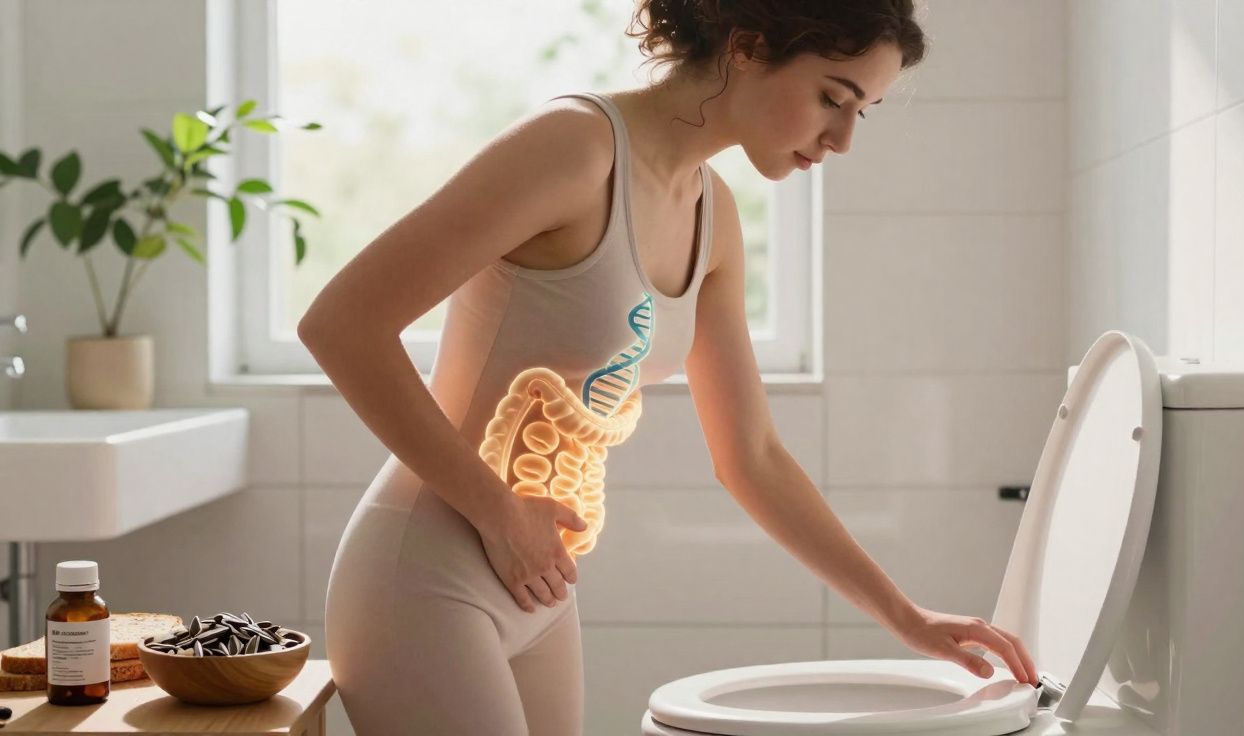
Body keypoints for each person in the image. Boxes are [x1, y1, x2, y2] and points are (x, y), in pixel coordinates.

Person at [305, 1, 1039, 734]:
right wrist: (498, 514)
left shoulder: (712, 216)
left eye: (862, 113)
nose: (843, 139)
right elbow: (341, 325)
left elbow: (752, 457)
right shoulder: (573, 148)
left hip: (535, 581)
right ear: (748, 47)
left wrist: (906, 618)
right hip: (427, 570)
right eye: (832, 98)